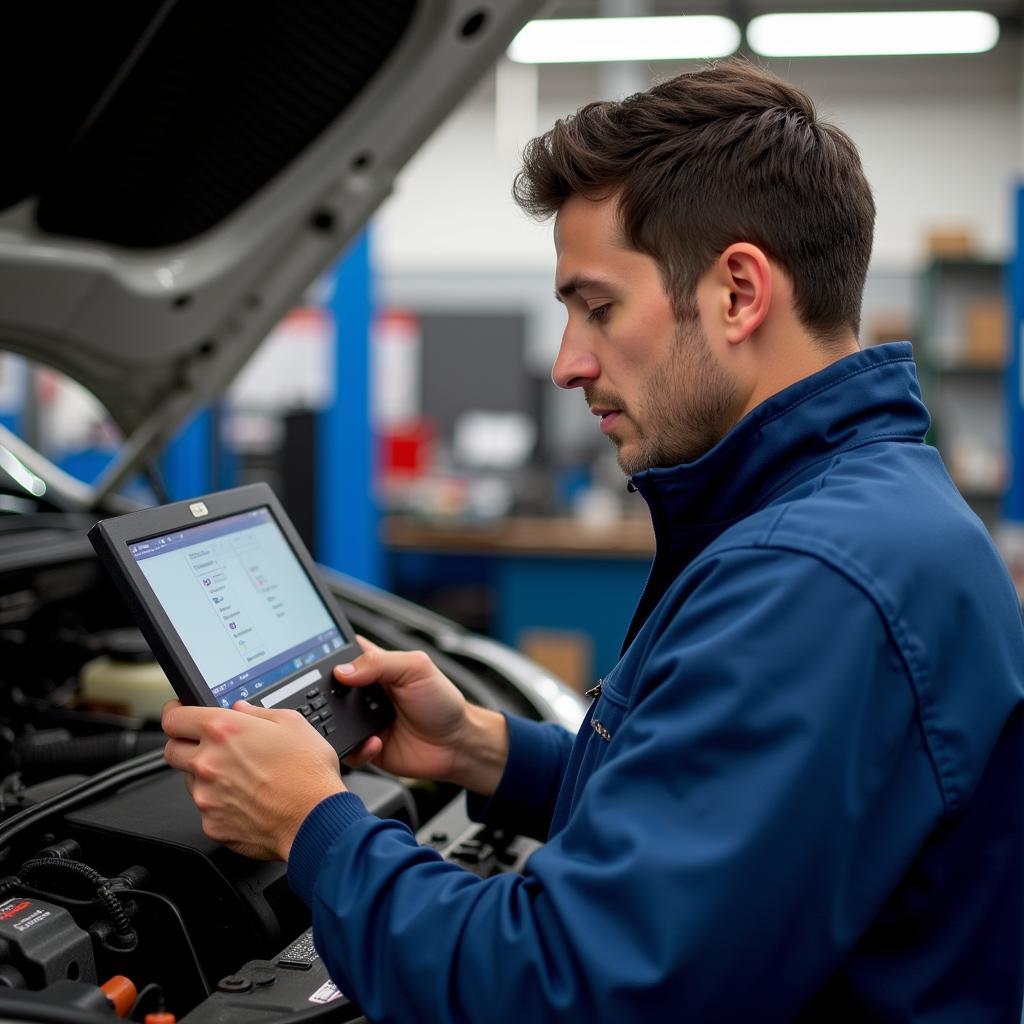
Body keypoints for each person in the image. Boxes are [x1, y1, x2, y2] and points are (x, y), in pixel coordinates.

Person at [162, 59, 1024, 1021]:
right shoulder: (867, 510)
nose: (570, 362)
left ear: (739, 292)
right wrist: (485, 751)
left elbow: (565, 990)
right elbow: (724, 828)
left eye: (598, 306)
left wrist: (311, 824)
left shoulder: (810, 579)